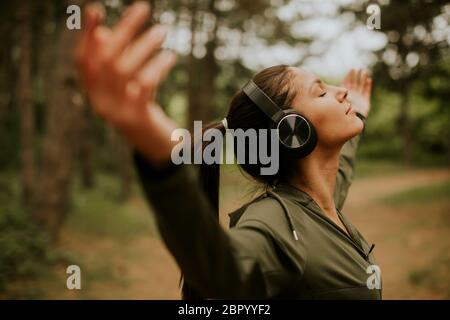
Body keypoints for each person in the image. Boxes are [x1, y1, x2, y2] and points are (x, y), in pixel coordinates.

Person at [76, 2, 381, 299]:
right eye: (321, 91)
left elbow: (338, 173)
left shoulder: (321, 202)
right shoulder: (276, 225)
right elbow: (225, 274)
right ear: (293, 130)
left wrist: (359, 113)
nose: (341, 90)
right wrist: (161, 159)